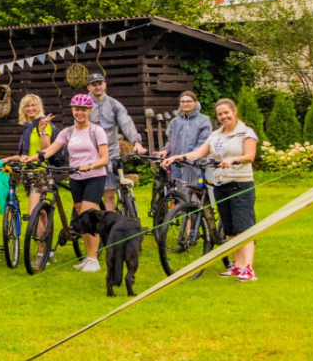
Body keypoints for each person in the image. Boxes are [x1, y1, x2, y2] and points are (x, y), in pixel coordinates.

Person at [164, 98, 259, 281]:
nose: (224, 117)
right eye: (220, 114)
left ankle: (248, 268)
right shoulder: (216, 135)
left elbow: (250, 155)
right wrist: (177, 157)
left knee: (243, 227)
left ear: (234, 112)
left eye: (226, 113)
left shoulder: (246, 133)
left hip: (240, 184)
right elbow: (199, 152)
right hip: (221, 185)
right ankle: (237, 266)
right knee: (230, 228)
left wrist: (233, 159)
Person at [38, 95, 111, 273]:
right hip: (76, 178)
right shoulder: (67, 132)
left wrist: (90, 165)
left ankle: (94, 260)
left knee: (87, 215)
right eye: (76, 109)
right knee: (81, 217)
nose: (80, 112)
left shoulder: (96, 131)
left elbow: (105, 159)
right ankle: (88, 257)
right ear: (72, 110)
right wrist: (30, 158)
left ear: (89, 111)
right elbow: (48, 151)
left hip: (95, 176)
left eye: (83, 109)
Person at [86, 72, 146, 212]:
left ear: (105, 84)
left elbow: (126, 123)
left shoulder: (114, 104)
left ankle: (109, 225)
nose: (97, 87)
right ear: (89, 87)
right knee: (88, 195)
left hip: (110, 154)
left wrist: (136, 142)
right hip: (89, 154)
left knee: (109, 194)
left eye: (100, 84)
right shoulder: (84, 104)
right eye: (94, 85)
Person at [3, 94, 54, 217]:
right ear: (22, 109)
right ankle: (43, 235)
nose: (30, 108)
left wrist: (42, 130)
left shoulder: (44, 124)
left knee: (33, 212)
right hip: (27, 171)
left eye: (33, 105)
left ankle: (38, 234)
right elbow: (24, 155)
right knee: (39, 211)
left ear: (39, 107)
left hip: (40, 171)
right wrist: (8, 159)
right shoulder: (28, 128)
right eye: (27, 106)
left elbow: (46, 150)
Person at [158, 91, 213, 186]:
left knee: (193, 195)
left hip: (195, 165)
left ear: (195, 103)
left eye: (189, 101)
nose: (185, 104)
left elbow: (203, 144)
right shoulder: (175, 122)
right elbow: (170, 141)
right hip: (176, 164)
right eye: (182, 101)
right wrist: (166, 150)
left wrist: (189, 158)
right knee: (176, 193)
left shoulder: (203, 121)